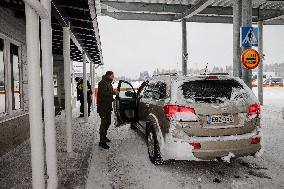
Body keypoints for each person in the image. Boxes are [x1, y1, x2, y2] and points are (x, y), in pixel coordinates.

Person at [97, 71, 114, 149]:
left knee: (108, 122)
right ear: (108, 75)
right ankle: (102, 141)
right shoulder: (102, 83)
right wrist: (113, 94)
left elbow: (109, 92)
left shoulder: (109, 83)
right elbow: (104, 93)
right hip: (103, 107)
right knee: (104, 124)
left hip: (108, 107)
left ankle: (104, 137)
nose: (113, 77)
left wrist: (114, 93)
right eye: (112, 76)